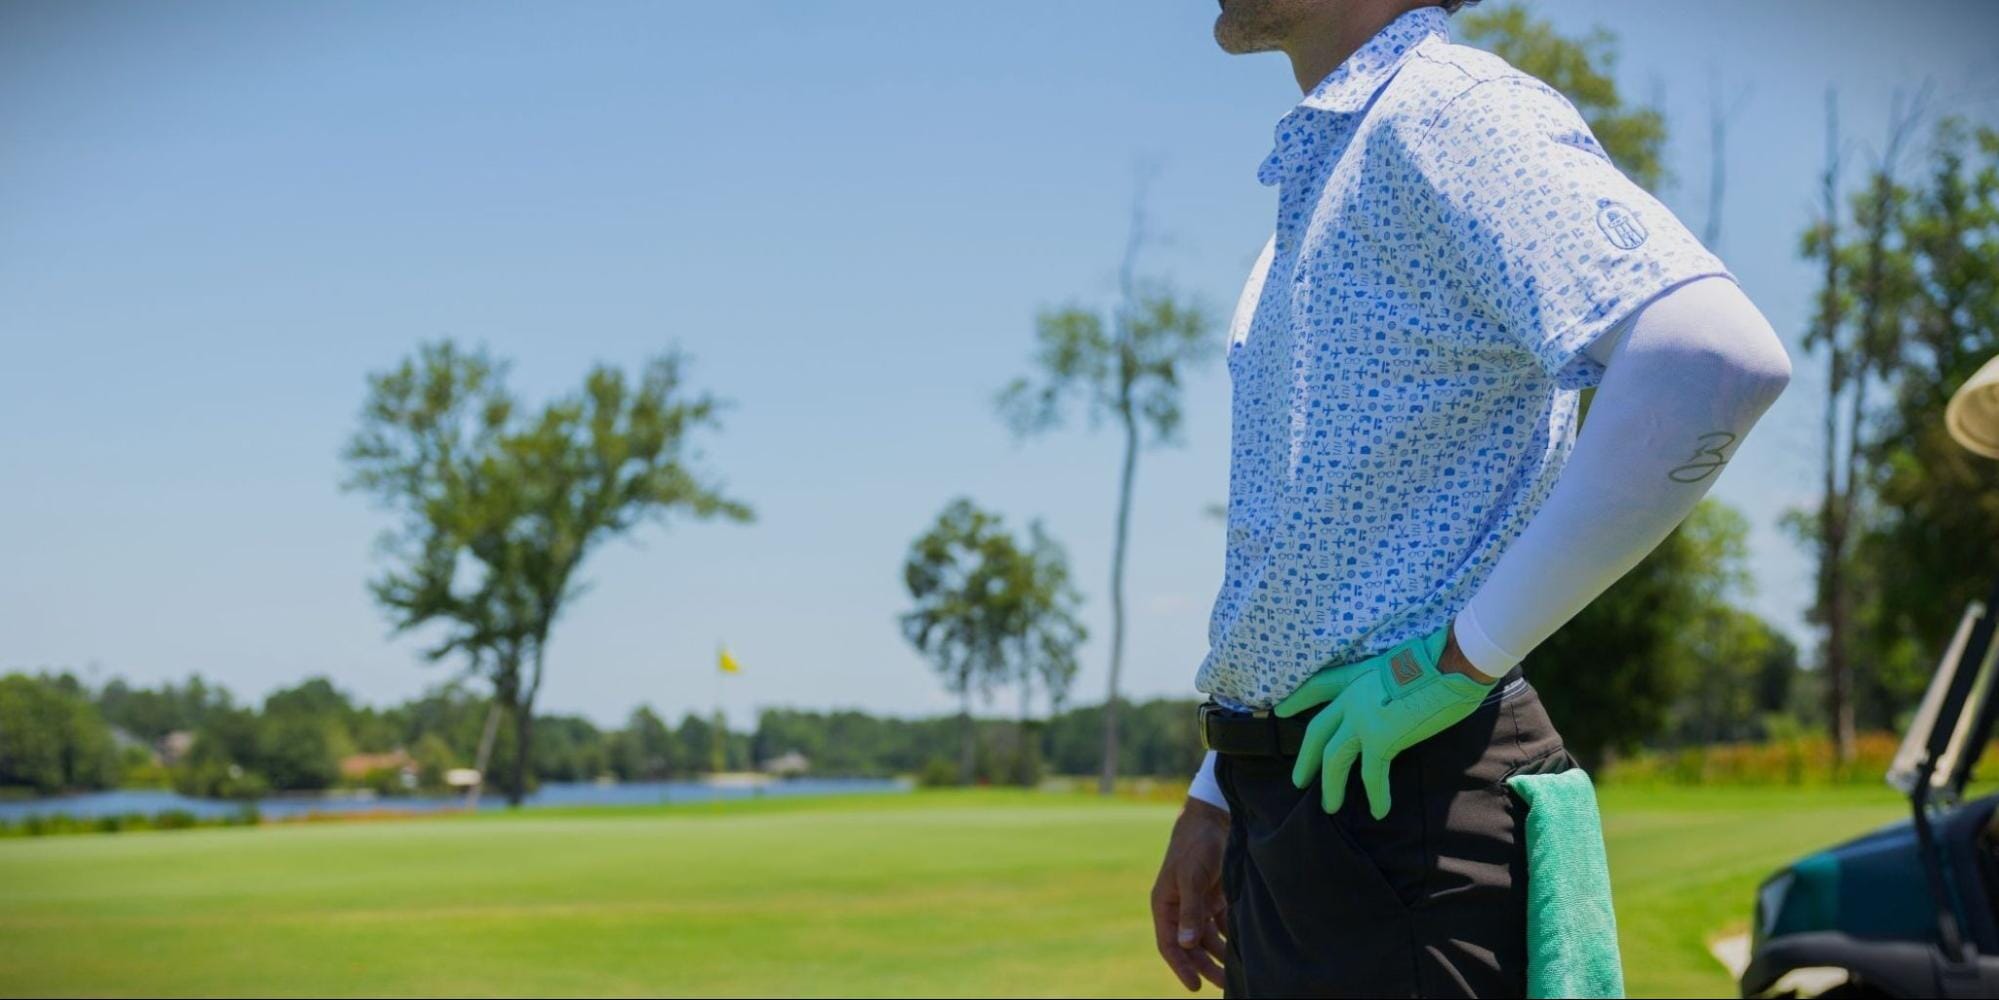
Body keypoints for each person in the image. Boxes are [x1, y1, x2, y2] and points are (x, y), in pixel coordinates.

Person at [1148, 1, 1793, 996]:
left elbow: (1712, 354)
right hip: (1306, 804)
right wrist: (1219, 790)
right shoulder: (1340, 163)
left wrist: (1458, 662)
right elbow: (1320, 549)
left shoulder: (1450, 113)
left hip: (1405, 804)